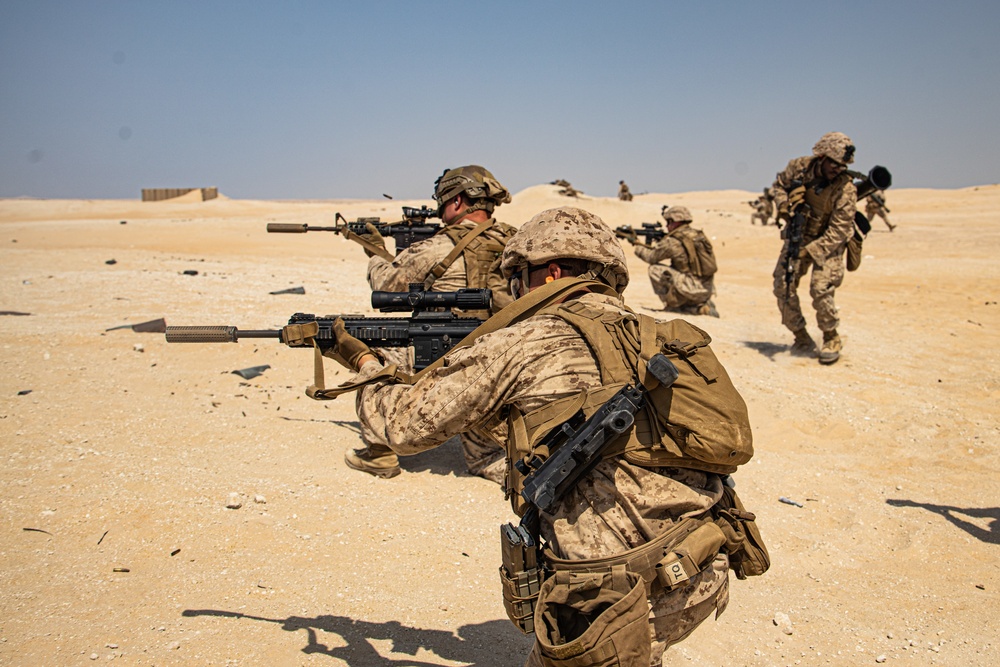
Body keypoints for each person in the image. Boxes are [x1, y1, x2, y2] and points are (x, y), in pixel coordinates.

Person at [297, 207, 764, 666]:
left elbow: (401, 426)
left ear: (550, 273)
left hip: (614, 594)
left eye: (516, 278)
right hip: (703, 562)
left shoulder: (526, 341)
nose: (513, 292)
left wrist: (362, 361)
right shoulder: (662, 337)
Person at [349, 165, 517, 482]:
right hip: (507, 366)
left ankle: (379, 452)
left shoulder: (439, 246)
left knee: (378, 352)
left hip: (451, 367)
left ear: (457, 201)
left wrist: (375, 252)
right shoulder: (517, 241)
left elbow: (386, 284)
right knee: (492, 458)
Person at [771, 131, 858, 364]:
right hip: (799, 234)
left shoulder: (846, 189)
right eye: (834, 164)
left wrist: (810, 250)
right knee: (783, 286)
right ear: (821, 157)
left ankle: (831, 336)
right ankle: (801, 337)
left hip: (828, 242)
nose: (838, 169)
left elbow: (839, 230)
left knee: (820, 289)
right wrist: (784, 205)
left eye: (842, 166)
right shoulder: (798, 168)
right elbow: (779, 186)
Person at [628, 205, 719, 317]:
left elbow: (651, 257)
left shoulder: (673, 241)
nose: (666, 226)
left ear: (675, 221)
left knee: (654, 269)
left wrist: (637, 244)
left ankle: (673, 305)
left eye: (668, 222)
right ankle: (699, 307)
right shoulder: (698, 235)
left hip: (691, 288)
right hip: (707, 288)